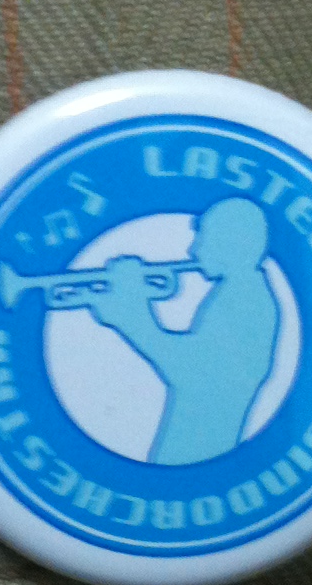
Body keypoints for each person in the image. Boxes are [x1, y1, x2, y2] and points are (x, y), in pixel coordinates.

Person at [87, 199, 279, 464]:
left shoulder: (248, 301)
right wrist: (130, 314)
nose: (193, 250)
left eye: (205, 239)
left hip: (199, 454)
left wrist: (132, 317)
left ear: (233, 244)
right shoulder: (235, 295)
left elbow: (192, 373)